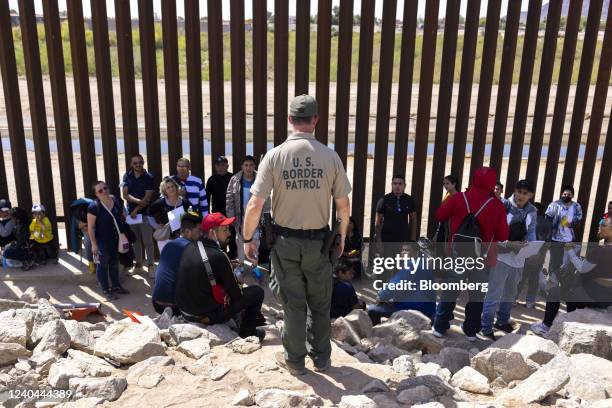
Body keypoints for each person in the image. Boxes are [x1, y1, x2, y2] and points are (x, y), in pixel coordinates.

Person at [242, 94, 352, 375]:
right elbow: (343, 206)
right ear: (315, 120)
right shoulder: (330, 156)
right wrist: (340, 237)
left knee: (293, 304)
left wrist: (246, 239)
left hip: (285, 243)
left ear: (289, 120)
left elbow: (255, 204)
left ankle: (295, 361)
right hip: (318, 244)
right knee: (319, 301)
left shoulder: (275, 156)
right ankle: (322, 358)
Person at [432, 167, 509, 341]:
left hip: (456, 254)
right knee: (476, 296)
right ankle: (471, 331)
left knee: (449, 291)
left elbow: (439, 215)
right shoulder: (497, 205)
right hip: (483, 257)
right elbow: (503, 236)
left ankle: (439, 326)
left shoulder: (459, 198)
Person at [174, 212, 265, 341]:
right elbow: (237, 296)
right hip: (205, 316)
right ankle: (248, 332)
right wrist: (237, 280)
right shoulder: (219, 256)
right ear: (212, 233)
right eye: (225, 230)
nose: (229, 233)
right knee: (257, 292)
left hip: (184, 311)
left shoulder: (190, 246)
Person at [480, 180, 537, 341]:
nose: (521, 195)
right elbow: (492, 232)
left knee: (511, 293)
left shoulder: (532, 210)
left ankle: (502, 321)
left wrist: (529, 245)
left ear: (531, 195)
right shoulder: (503, 205)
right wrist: (508, 244)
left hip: (519, 258)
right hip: (501, 256)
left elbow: (531, 232)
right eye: (519, 191)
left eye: (525, 193)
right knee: (494, 292)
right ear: (514, 191)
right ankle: (486, 326)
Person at [531, 225, 612, 336]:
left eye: (604, 224)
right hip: (607, 299)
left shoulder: (600, 250)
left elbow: (582, 268)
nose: (599, 226)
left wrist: (570, 252)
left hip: (593, 296)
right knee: (573, 293)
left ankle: (545, 326)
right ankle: (570, 324)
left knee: (554, 291)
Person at [367, 243, 436, 325]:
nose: (403, 252)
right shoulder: (421, 264)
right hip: (427, 306)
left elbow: (394, 286)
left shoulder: (411, 265)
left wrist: (381, 296)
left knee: (372, 309)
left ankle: (376, 333)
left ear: (416, 253)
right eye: (402, 250)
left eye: (406, 250)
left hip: (416, 308)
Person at [87, 181, 131, 301]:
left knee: (114, 263)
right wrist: (94, 244)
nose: (104, 191)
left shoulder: (115, 200)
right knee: (103, 265)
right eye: (100, 191)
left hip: (116, 239)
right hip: (102, 240)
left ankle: (116, 286)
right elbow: (90, 227)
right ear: (96, 194)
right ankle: (106, 289)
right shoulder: (94, 207)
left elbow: (121, 215)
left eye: (105, 188)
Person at [152, 213, 202, 315]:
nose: (201, 234)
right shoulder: (191, 249)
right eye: (198, 231)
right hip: (174, 307)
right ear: (187, 232)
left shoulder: (169, 244)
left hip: (156, 302)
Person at [226, 155, 271, 264]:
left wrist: (262, 219)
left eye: (251, 165)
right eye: (246, 165)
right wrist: (231, 217)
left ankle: (254, 265)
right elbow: (229, 198)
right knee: (240, 241)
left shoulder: (260, 179)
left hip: (255, 216)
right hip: (240, 217)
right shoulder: (235, 179)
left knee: (255, 241)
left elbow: (267, 200)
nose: (248, 168)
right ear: (242, 166)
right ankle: (241, 264)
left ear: (255, 166)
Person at [121, 154, 156, 275]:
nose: (138, 165)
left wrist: (136, 210)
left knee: (147, 241)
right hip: (131, 215)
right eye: (135, 163)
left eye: (140, 162)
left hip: (144, 214)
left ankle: (151, 265)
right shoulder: (127, 176)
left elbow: (147, 199)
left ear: (143, 162)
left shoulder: (149, 177)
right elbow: (125, 195)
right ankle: (138, 265)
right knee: (135, 241)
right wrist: (138, 202)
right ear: (131, 164)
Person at [516, 202, 552, 308]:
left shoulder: (530, 221)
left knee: (521, 278)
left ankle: (513, 300)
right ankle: (530, 302)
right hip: (540, 257)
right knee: (534, 279)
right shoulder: (548, 224)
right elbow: (548, 243)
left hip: (527, 255)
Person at [375, 175, 418, 257]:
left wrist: (412, 240)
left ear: (404, 186)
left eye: (400, 184)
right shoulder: (384, 200)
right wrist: (378, 240)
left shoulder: (409, 200)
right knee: (388, 264)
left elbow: (413, 219)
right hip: (387, 239)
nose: (397, 186)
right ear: (391, 185)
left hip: (404, 239)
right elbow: (378, 222)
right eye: (395, 183)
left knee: (402, 265)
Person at [546, 185, 583, 274]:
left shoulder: (576, 206)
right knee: (554, 260)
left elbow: (579, 216)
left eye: (569, 194)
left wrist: (571, 223)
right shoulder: (555, 204)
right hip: (555, 238)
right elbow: (547, 217)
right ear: (561, 194)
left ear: (572, 196)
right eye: (564, 194)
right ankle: (552, 279)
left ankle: (562, 280)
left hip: (569, 239)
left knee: (565, 261)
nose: (566, 196)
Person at [206, 155, 236, 258]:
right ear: (215, 167)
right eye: (218, 165)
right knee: (219, 235)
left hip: (230, 212)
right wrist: (209, 213)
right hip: (217, 213)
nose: (221, 167)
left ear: (227, 166)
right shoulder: (211, 180)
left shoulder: (232, 178)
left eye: (223, 165)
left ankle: (232, 255)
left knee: (231, 234)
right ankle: (221, 255)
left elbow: (236, 196)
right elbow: (207, 197)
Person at [150, 177, 190, 253]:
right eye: (168, 188)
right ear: (164, 191)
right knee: (166, 261)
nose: (171, 189)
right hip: (165, 238)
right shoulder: (159, 203)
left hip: (181, 237)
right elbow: (149, 215)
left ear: (176, 187)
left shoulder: (185, 203)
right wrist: (156, 225)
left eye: (172, 186)